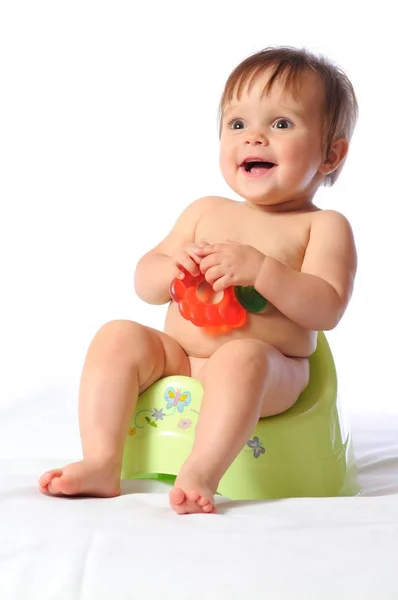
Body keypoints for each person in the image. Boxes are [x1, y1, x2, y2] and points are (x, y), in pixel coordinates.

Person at [39, 46, 358, 514]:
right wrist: (170, 270)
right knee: (116, 335)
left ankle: (201, 472)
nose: (254, 139)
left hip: (271, 371)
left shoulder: (323, 226)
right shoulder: (205, 211)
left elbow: (327, 308)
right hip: (183, 359)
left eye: (281, 124)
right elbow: (144, 283)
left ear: (330, 154)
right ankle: (103, 461)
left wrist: (263, 271)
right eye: (237, 124)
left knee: (241, 356)